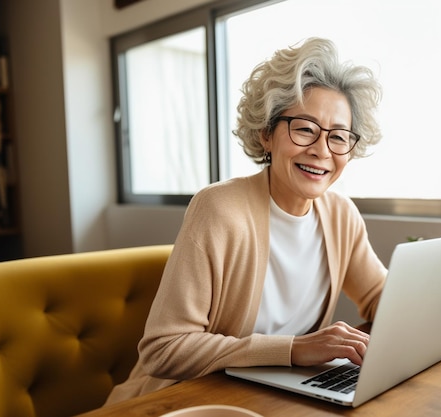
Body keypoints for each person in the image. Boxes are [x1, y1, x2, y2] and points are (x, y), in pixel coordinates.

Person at [105, 37, 387, 405]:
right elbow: (163, 349)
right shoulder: (219, 209)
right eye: (304, 129)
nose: (322, 150)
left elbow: (379, 296)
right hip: (187, 403)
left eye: (339, 137)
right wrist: (293, 349)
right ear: (266, 134)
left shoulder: (340, 215)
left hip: (279, 399)